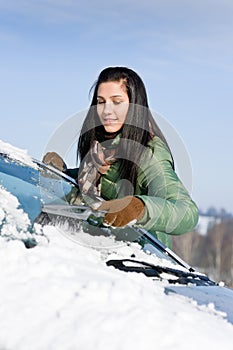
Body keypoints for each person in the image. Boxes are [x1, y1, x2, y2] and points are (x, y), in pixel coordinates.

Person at [43, 66, 198, 248]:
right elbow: (105, 185)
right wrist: (63, 174)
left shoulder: (149, 153)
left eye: (117, 102)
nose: (107, 110)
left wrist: (139, 207)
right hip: (101, 243)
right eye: (101, 102)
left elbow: (187, 212)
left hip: (140, 255)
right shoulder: (100, 146)